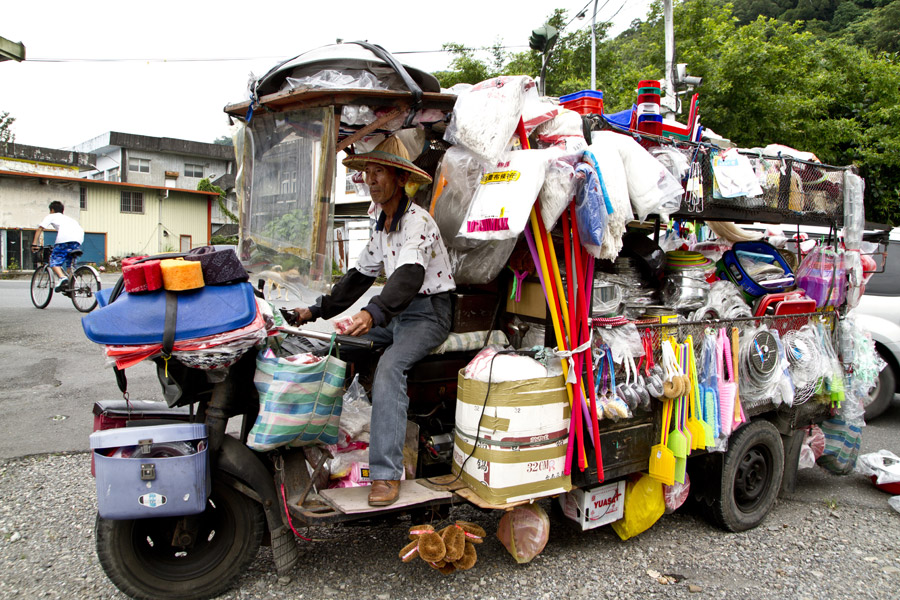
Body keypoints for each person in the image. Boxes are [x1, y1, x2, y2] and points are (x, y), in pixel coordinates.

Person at [293, 136, 455, 507]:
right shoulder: (381, 224)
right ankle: (320, 444)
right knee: (336, 346)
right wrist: (314, 311)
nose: (371, 179)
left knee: (390, 367)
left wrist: (373, 313)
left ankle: (385, 474)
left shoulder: (418, 222)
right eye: (367, 172)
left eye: (379, 171)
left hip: (429, 313)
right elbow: (359, 276)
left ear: (401, 178)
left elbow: (409, 275)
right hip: (397, 312)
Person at [32, 201, 85, 291]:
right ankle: (70, 286)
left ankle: (62, 278)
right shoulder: (70, 219)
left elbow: (40, 228)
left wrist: (34, 244)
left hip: (64, 240)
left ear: (52, 210)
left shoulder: (51, 216)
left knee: (54, 261)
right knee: (70, 265)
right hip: (78, 239)